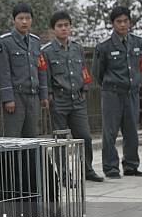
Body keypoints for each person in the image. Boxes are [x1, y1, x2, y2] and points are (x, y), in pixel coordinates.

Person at [42, 11, 104, 182]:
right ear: (53, 29)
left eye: (66, 25)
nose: (63, 29)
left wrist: (84, 89)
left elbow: (84, 70)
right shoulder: (47, 51)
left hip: (77, 99)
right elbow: (45, 76)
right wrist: (49, 96)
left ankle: (87, 170)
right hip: (59, 100)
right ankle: (63, 174)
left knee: (85, 137)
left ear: (70, 27)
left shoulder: (77, 48)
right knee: (60, 140)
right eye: (59, 26)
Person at [92, 6, 142, 179]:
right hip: (112, 93)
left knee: (131, 131)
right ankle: (111, 167)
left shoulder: (137, 42)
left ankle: (131, 165)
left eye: (125, 21)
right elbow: (97, 73)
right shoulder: (104, 46)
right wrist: (111, 84)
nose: (123, 25)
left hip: (131, 92)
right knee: (110, 132)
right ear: (112, 24)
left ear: (130, 22)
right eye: (119, 22)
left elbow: (138, 66)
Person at [0, 3, 48, 137]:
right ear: (14, 20)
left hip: (33, 96)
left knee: (32, 136)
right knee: (13, 137)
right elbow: (3, 72)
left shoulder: (35, 41)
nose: (24, 22)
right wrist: (8, 98)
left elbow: (41, 69)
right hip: (16, 97)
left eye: (28, 18)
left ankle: (30, 160)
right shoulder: (5, 41)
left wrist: (44, 94)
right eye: (20, 18)